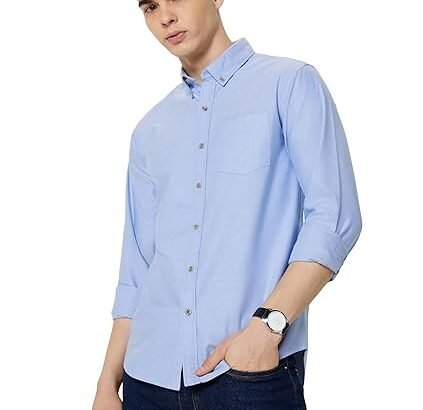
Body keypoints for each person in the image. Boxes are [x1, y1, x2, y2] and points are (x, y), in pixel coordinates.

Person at [93, 1, 362, 409]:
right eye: (149, 6)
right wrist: (106, 383)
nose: (164, 17)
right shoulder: (149, 131)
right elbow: (137, 271)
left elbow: (335, 218)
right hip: (147, 378)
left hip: (248, 373)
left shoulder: (289, 84)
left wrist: (267, 327)